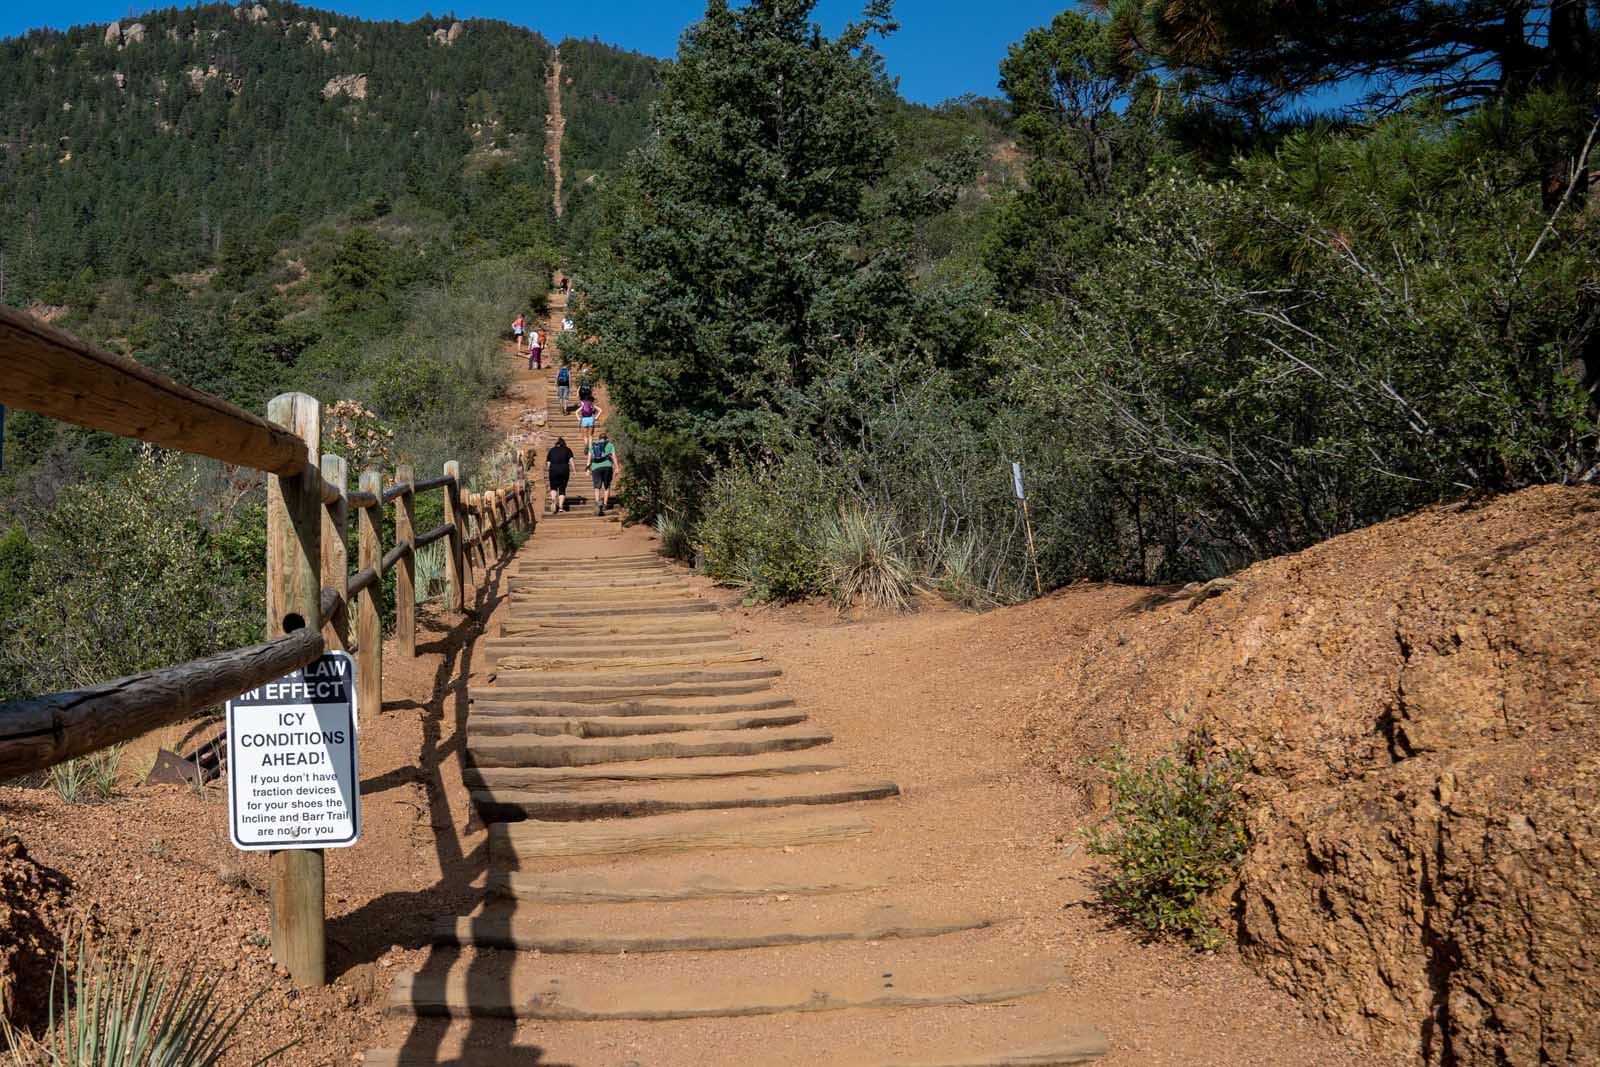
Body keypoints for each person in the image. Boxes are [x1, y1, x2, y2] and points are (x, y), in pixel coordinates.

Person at [586, 431, 616, 516]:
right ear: (606, 438)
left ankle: (597, 502)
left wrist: (588, 469)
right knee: (607, 486)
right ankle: (605, 504)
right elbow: (614, 456)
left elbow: (589, 458)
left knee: (597, 487)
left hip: (596, 467)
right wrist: (617, 467)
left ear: (599, 438)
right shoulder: (610, 445)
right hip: (607, 467)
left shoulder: (593, 445)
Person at [545, 436, 574, 514]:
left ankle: (553, 500)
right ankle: (561, 507)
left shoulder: (551, 450)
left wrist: (549, 470)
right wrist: (574, 470)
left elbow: (548, 462)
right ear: (564, 443)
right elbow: (571, 460)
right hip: (564, 470)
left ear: (556, 444)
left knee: (553, 487)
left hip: (553, 470)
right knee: (562, 488)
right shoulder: (567, 450)